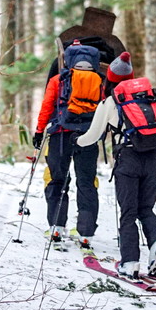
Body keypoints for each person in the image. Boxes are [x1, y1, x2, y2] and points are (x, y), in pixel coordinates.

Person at [76, 53, 156, 277]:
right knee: (145, 209)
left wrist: (75, 141)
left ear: (109, 79)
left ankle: (130, 262)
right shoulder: (147, 99)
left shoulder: (109, 102)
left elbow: (93, 135)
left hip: (128, 160)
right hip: (153, 157)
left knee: (128, 213)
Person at [33, 40, 105, 247]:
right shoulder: (99, 82)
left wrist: (39, 131)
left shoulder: (58, 80)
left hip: (60, 135)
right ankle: (86, 233)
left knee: (57, 180)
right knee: (86, 182)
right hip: (87, 137)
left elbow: (47, 107)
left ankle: (56, 227)